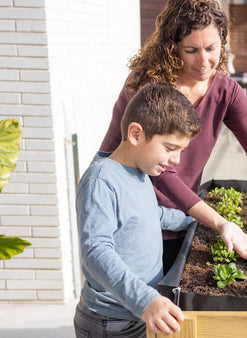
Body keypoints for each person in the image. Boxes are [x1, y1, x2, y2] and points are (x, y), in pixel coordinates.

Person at [100, 0, 247, 270]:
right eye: (191, 50)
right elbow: (160, 172)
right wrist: (220, 223)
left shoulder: (227, 91)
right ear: (172, 47)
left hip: (179, 215)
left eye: (212, 48)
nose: (204, 61)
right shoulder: (147, 86)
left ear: (223, 41)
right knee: (138, 304)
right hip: (130, 213)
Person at [74, 83, 202, 337]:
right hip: (110, 322)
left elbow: (152, 215)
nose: (176, 159)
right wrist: (145, 300)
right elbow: (96, 251)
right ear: (135, 134)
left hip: (136, 312)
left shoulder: (139, 172)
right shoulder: (101, 180)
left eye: (180, 150)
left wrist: (192, 221)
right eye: (170, 148)